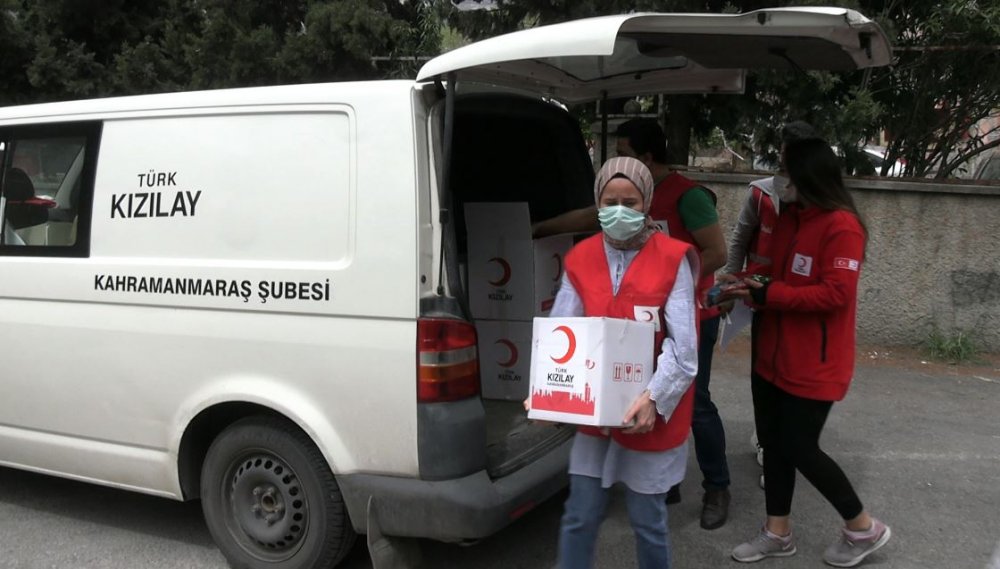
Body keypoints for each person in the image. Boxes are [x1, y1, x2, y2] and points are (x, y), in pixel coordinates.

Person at [534, 119, 732, 530]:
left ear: (646, 159)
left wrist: (674, 287)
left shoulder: (687, 199)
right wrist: (540, 228)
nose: (619, 211)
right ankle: (658, 485)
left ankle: (716, 485)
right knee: (623, 404)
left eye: (624, 147)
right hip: (626, 342)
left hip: (687, 316)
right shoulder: (604, 222)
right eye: (611, 202)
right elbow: (586, 219)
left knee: (697, 405)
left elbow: (716, 252)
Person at [722, 138, 891, 567]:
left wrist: (771, 293)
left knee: (799, 446)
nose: (779, 178)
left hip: (813, 363)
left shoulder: (842, 226)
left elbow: (835, 294)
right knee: (775, 446)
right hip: (770, 356)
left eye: (784, 168)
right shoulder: (789, 218)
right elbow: (770, 271)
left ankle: (862, 527)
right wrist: (740, 281)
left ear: (808, 174)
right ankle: (777, 532)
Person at [539, 156, 699, 569]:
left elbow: (684, 349)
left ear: (647, 203)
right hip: (596, 413)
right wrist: (548, 392)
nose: (619, 211)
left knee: (648, 520)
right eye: (610, 201)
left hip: (651, 413)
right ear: (597, 202)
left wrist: (653, 398)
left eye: (630, 202)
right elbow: (562, 332)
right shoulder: (581, 257)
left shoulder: (672, 258)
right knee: (579, 515)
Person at [720, 121, 821, 487]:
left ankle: (792, 445)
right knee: (764, 377)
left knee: (794, 379)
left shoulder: (819, 200)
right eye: (783, 152)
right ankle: (768, 444)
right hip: (761, 302)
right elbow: (739, 238)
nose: (785, 160)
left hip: (799, 307)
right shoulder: (762, 194)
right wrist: (732, 283)